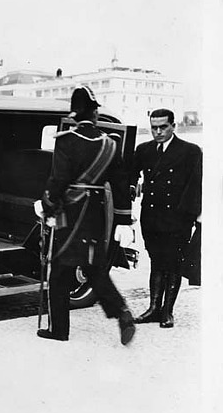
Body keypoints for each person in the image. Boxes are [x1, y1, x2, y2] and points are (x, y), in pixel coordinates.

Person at [34, 86, 136, 345]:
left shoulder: (66, 141)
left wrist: (46, 207)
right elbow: (122, 188)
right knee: (93, 268)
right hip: (96, 216)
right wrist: (123, 220)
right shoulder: (110, 145)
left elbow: (57, 182)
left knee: (59, 271)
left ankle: (59, 330)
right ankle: (122, 312)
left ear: (74, 114)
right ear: (95, 112)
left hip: (70, 214)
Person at [130, 108, 202, 328]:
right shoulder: (144, 149)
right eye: (154, 128)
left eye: (163, 127)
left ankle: (167, 312)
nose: (158, 132)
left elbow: (196, 186)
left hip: (177, 218)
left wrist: (188, 216)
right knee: (156, 261)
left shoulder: (190, 151)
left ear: (173, 126)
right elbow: (130, 172)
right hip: (151, 216)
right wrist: (132, 185)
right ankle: (153, 308)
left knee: (173, 264)